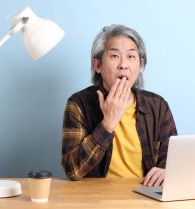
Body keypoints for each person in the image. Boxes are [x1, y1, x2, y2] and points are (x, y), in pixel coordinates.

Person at [61, 24, 177, 187]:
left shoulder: (158, 106)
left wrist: (167, 171)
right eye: (114, 56)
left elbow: (175, 162)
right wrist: (107, 123)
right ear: (98, 65)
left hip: (146, 199)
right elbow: (72, 170)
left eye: (131, 57)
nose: (124, 65)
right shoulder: (78, 104)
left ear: (140, 64)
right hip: (97, 201)